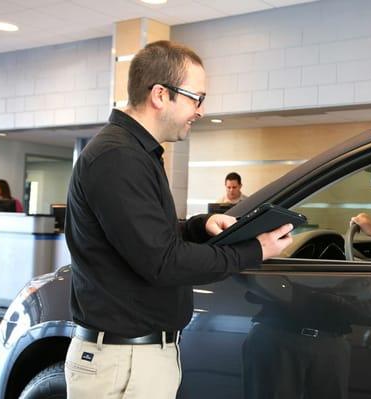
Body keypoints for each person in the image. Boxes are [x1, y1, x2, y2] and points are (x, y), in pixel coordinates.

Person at [63, 40, 293, 399]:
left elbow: (147, 239)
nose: (200, 110)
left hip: (134, 358)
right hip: (124, 363)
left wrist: (199, 227)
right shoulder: (118, 157)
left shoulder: (135, 153)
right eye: (195, 97)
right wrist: (254, 250)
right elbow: (163, 262)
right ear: (159, 94)